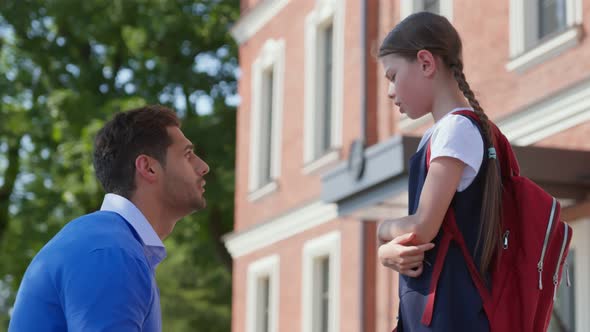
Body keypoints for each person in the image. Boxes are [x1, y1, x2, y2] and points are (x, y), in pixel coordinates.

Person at [9, 105, 210, 331]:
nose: (203, 167)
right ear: (148, 168)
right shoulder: (112, 252)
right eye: (187, 155)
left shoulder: (111, 245)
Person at [376, 12, 502, 331]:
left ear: (425, 62)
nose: (390, 92)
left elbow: (421, 228)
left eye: (393, 76)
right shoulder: (439, 135)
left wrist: (382, 231)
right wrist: (390, 253)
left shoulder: (455, 130)